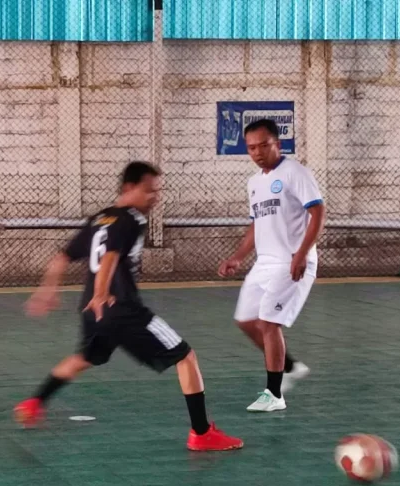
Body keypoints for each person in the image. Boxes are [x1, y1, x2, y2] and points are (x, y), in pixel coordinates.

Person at [15, 162, 243, 451]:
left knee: (84, 357)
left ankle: (35, 402)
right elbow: (110, 256)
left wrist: (46, 291)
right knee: (185, 356)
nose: (155, 197)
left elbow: (62, 257)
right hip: (121, 309)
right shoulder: (131, 220)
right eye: (149, 191)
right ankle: (201, 433)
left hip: (92, 312)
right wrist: (101, 293)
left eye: (157, 191)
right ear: (128, 188)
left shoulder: (100, 219)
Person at [218, 119, 324, 412]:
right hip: (264, 263)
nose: (257, 152)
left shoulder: (295, 173)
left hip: (291, 261)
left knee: (268, 323)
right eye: (251, 147)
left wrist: (301, 254)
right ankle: (289, 366)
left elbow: (318, 213)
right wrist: (238, 256)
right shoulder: (254, 183)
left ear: (278, 143)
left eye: (263, 145)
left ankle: (274, 394)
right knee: (245, 320)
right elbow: (257, 224)